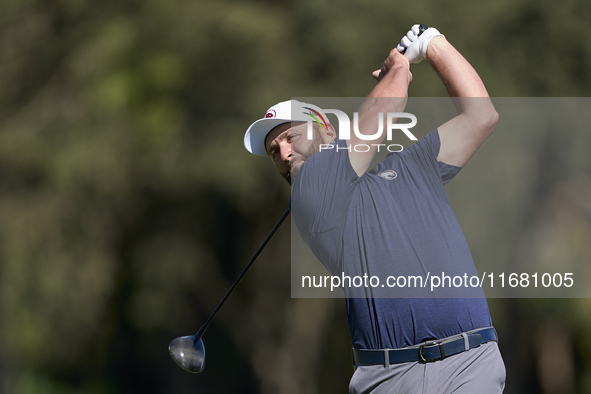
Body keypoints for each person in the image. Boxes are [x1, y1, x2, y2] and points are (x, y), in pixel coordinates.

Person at [243, 24, 505, 394]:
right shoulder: (309, 189)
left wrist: (434, 43)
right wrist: (400, 65)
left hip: (470, 362)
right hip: (391, 377)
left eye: (291, 136)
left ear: (327, 132)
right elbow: (387, 106)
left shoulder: (412, 167)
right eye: (274, 151)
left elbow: (481, 117)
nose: (284, 153)